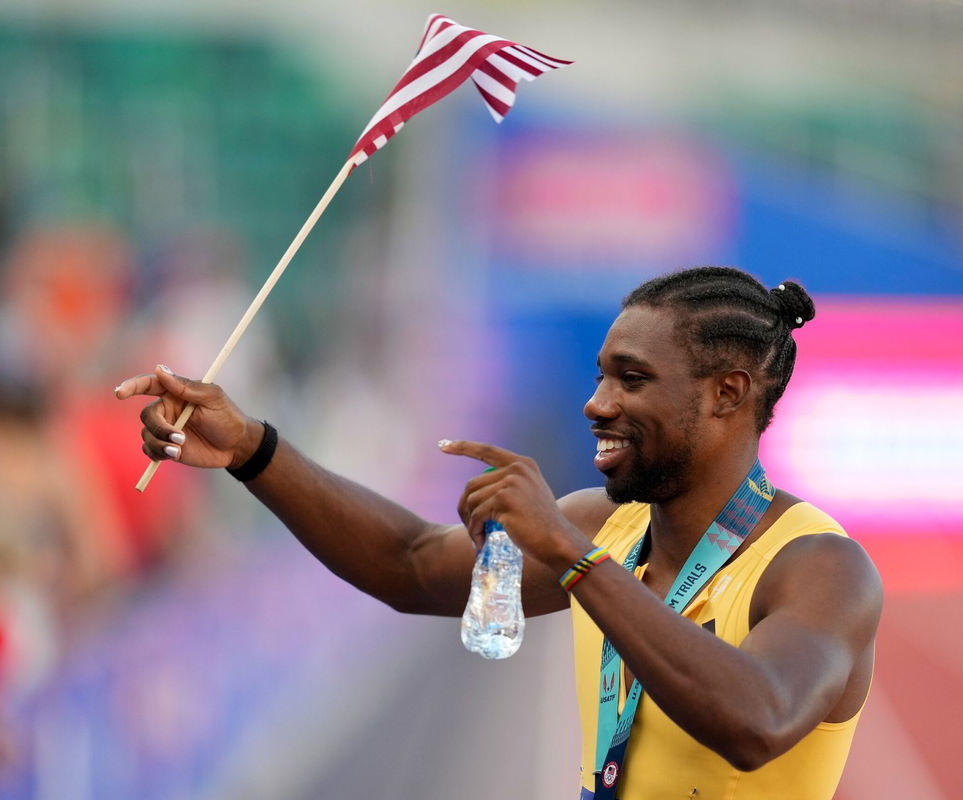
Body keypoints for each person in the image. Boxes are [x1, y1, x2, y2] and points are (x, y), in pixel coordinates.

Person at [115, 266, 882, 800]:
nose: (596, 403)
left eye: (631, 379)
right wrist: (254, 450)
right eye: (599, 375)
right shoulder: (604, 525)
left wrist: (574, 561)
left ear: (727, 395)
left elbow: (758, 719)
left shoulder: (819, 568)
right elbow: (410, 566)